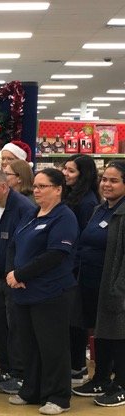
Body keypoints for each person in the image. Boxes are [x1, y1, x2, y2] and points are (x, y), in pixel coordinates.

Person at [6, 168, 78, 415]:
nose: (36, 190)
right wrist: (12, 274)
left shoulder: (64, 217)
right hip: (24, 292)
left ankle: (58, 396)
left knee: (52, 346)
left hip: (51, 293)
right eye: (35, 186)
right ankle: (32, 390)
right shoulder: (31, 214)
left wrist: (21, 274)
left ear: (58, 189)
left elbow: (56, 254)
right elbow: (14, 244)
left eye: (42, 186)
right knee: (29, 344)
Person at [0, 169, 37, 393]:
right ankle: (5, 368)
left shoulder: (24, 208)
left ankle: (20, 373)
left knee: (17, 326)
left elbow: (28, 245)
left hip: (16, 278)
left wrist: (20, 273)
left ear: (4, 187)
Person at [71, 162, 125, 403]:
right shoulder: (99, 209)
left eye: (114, 181)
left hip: (114, 286)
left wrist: (119, 288)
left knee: (118, 335)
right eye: (104, 179)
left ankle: (121, 384)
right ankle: (101, 378)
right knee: (101, 334)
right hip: (93, 283)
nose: (107, 184)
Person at [62, 154, 100, 384]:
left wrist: (73, 267)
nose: (65, 173)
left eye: (71, 171)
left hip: (77, 269)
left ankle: (78, 367)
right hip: (71, 267)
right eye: (65, 169)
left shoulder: (87, 203)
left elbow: (83, 237)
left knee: (75, 320)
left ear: (83, 174)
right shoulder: (73, 197)